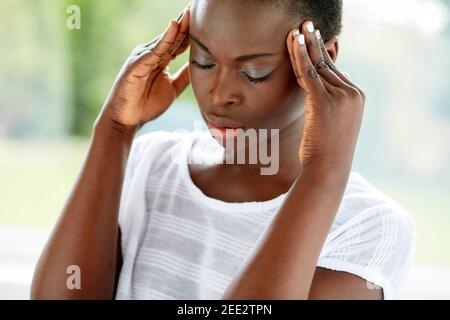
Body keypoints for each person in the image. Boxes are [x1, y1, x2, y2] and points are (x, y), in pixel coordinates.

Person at [31, 0, 415, 300]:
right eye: (203, 60)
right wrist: (113, 132)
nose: (218, 93)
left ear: (323, 56)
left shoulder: (369, 227)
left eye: (254, 72)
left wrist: (323, 177)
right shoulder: (149, 165)